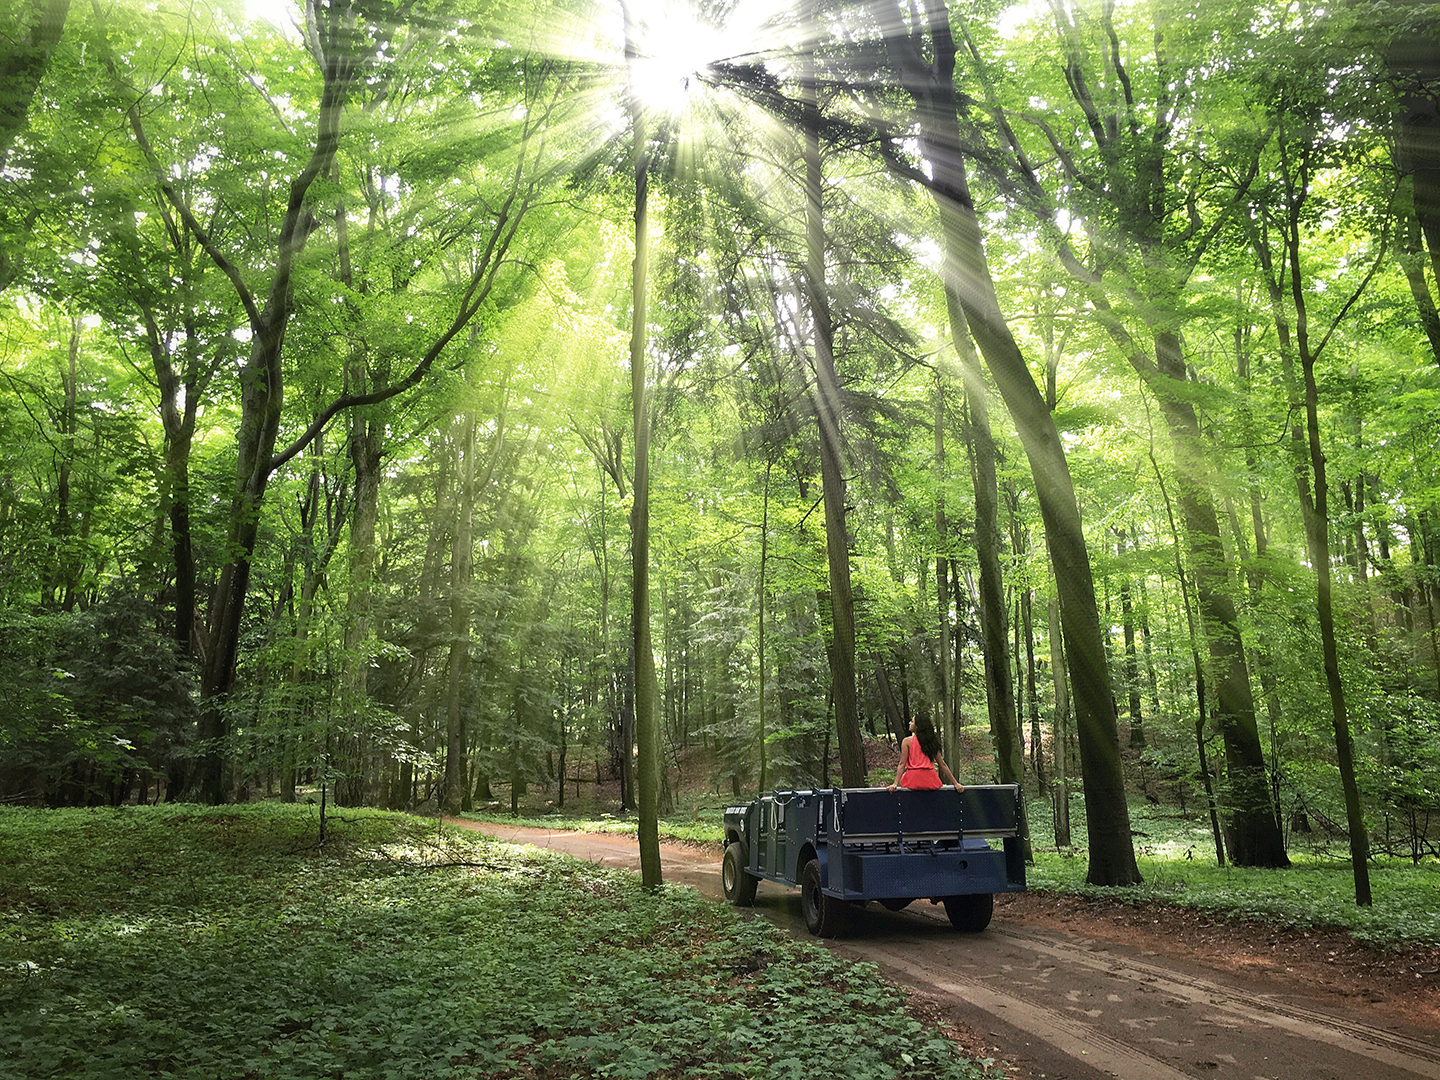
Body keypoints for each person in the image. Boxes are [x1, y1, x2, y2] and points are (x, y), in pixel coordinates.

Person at [887, 713, 964, 791]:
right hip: (930, 780)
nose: (910, 723)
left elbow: (902, 763)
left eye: (912, 722)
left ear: (917, 726)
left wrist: (895, 783)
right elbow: (942, 764)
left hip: (913, 780)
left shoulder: (907, 741)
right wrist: (955, 783)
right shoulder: (931, 741)